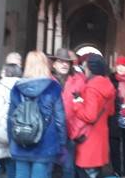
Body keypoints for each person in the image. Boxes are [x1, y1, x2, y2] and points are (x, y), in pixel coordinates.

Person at [8, 51, 66, 178]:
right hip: (45, 144)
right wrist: (62, 143)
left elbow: (10, 118)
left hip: (21, 142)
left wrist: (11, 141)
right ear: (45, 65)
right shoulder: (53, 87)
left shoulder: (16, 88)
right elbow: (60, 119)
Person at [72, 54, 116, 178]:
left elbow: (90, 116)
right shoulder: (108, 85)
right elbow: (111, 111)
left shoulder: (91, 88)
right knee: (95, 172)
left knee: (86, 172)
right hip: (100, 136)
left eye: (85, 68)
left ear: (90, 69)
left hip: (88, 139)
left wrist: (77, 104)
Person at [51, 48, 86, 178]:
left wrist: (77, 130)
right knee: (49, 168)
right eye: (61, 61)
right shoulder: (47, 80)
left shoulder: (79, 80)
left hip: (71, 132)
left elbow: (84, 106)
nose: (65, 64)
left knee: (68, 168)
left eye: (67, 62)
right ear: (54, 64)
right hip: (51, 132)